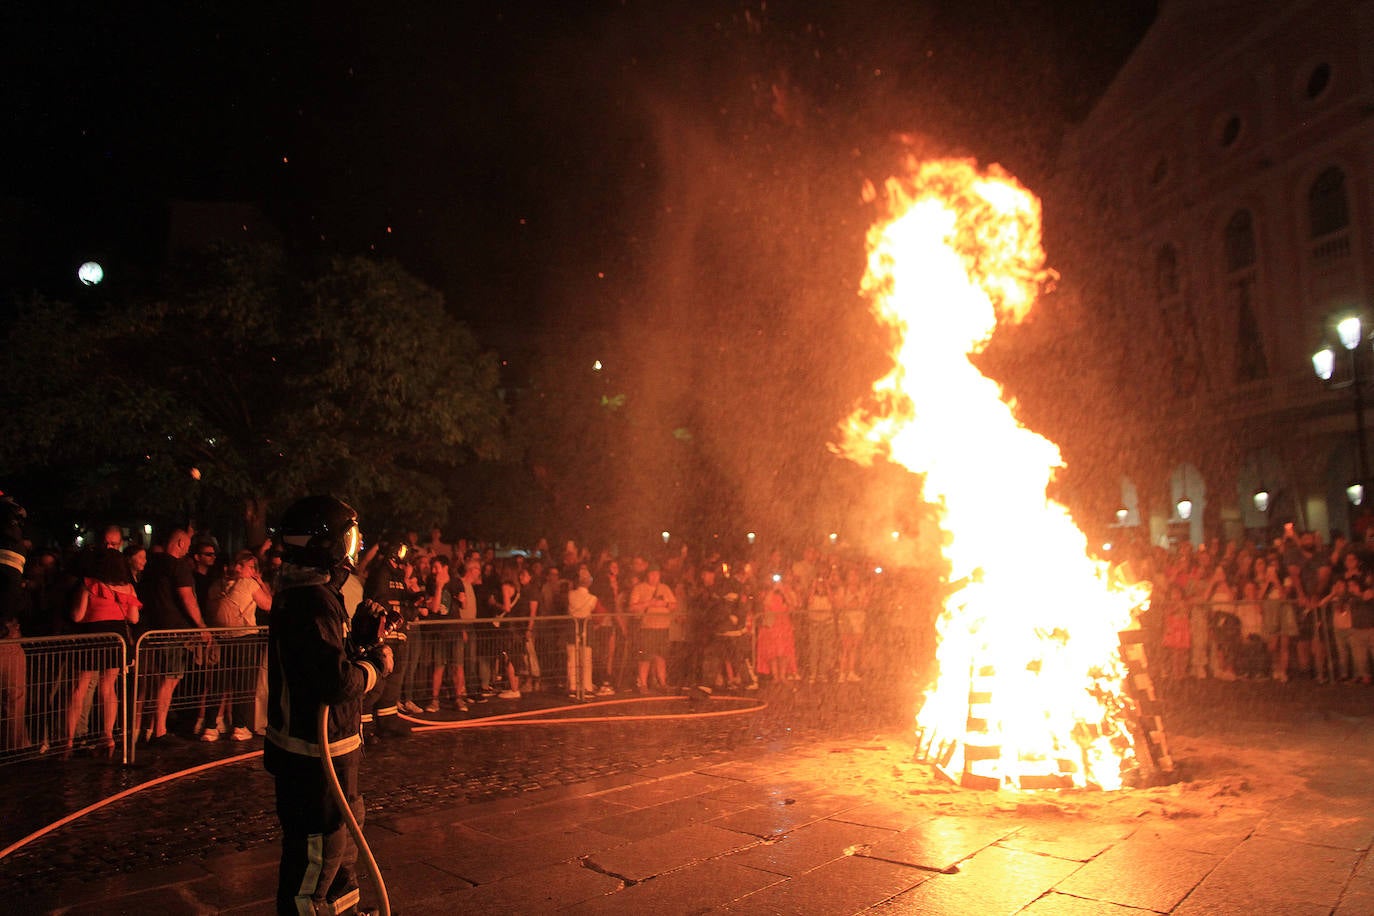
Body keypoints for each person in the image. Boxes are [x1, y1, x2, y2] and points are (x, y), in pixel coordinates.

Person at [265, 495, 392, 916]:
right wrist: (376, 663)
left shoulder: (316, 595)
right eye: (349, 538)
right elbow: (335, 683)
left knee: (341, 850)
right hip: (314, 760)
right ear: (327, 545)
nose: (353, 548)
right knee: (317, 858)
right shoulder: (309, 600)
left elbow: (330, 663)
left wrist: (360, 639)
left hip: (334, 751)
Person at [203, 550, 272, 742]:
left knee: (217, 683)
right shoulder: (248, 584)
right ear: (240, 567)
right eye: (251, 567)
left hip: (220, 638)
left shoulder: (217, 585)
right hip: (244, 638)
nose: (253, 571)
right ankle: (239, 727)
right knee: (243, 684)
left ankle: (210, 727)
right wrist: (261, 584)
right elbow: (269, 605)